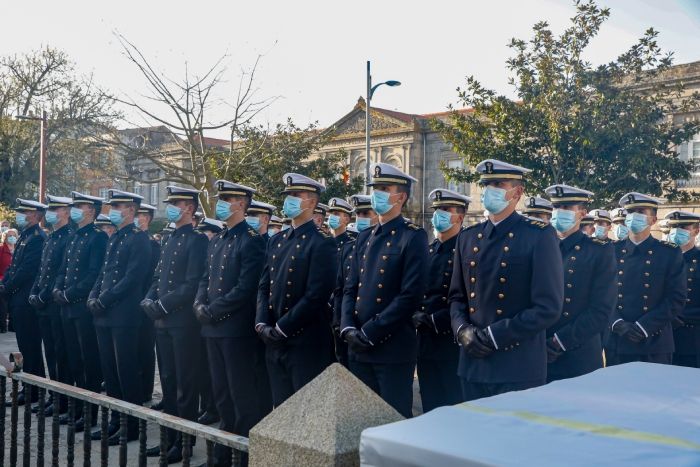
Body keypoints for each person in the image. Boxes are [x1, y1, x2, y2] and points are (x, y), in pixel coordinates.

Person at [449, 159, 563, 401]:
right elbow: (457, 297)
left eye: (498, 184)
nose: (490, 190)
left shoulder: (538, 235)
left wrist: (494, 336)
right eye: (487, 183)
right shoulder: (468, 237)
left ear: (517, 192)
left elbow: (548, 307)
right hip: (473, 364)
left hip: (517, 366)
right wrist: (462, 331)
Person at [340, 163, 428, 417]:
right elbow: (350, 287)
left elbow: (410, 295)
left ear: (401, 196)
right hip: (358, 346)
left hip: (391, 347)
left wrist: (371, 332)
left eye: (384, 188)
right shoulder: (365, 237)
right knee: (361, 420)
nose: (377, 193)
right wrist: (348, 326)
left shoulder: (412, 237)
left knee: (392, 419)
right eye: (376, 188)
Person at [194, 180, 272, 466]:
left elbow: (246, 288)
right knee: (221, 395)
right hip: (212, 328)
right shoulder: (219, 240)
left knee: (242, 397)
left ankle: (243, 455)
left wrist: (214, 310)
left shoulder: (250, 240)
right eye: (221, 198)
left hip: (235, 331)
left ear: (241, 203)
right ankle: (222, 455)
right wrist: (199, 304)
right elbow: (206, 278)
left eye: (227, 199)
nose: (221, 203)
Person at [256, 173, 337, 407]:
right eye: (288, 195)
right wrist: (262, 322)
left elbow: (316, 295)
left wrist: (283, 328)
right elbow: (264, 285)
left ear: (311, 203)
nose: (289, 200)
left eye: (295, 195)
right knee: (280, 407)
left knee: (305, 411)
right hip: (274, 341)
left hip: (304, 342)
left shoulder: (322, 243)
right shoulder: (277, 240)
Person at [142, 186, 208, 462]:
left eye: (176, 203)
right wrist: (149, 298)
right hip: (163, 323)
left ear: (190, 208)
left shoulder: (197, 241)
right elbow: (158, 277)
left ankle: (185, 442)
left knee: (185, 385)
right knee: (168, 383)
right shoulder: (169, 238)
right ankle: (169, 437)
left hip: (182, 323)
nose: (171, 207)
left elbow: (191, 284)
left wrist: (164, 304)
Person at [88, 189, 151, 444]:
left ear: (131, 210)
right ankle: (115, 421)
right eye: (112, 205)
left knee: (126, 371)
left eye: (119, 206)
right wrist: (94, 295)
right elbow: (104, 272)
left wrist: (105, 299)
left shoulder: (139, 239)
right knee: (110, 373)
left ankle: (132, 426)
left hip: (124, 314)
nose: (113, 210)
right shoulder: (114, 238)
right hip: (104, 315)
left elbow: (132, 278)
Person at [544, 185, 615, 381]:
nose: (559, 213)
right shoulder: (540, 246)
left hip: (577, 353)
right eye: (556, 208)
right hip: (539, 351)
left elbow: (601, 309)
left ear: (582, 213)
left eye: (566, 207)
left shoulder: (598, 251)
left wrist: (559, 341)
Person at [608, 193, 686, 365]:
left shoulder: (669, 252)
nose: (634, 216)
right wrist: (616, 322)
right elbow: (599, 294)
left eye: (641, 211)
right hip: (617, 340)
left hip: (654, 342)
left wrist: (644, 327)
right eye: (630, 212)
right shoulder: (611, 251)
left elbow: (676, 298)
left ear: (653, 220)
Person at [54, 191, 108, 431]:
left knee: (88, 363)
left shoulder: (97, 238)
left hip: (82, 307)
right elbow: (63, 269)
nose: (76, 209)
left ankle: (89, 414)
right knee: (74, 361)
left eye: (81, 206)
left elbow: (94, 273)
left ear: (92, 211)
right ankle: (76, 409)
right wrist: (58, 288)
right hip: (66, 307)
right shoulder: (74, 237)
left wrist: (71, 293)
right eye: (74, 205)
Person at [415, 188, 469, 412]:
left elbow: (467, 297)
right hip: (426, 344)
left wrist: (434, 319)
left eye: (446, 209)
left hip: (451, 343)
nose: (439, 214)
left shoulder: (466, 249)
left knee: (453, 405)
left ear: (460, 216)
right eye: (437, 209)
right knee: (430, 403)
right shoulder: (430, 249)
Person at [30, 195, 75, 416]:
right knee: (50, 351)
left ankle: (64, 399)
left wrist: (46, 293)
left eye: (56, 209)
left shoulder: (68, 236)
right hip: (44, 304)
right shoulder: (51, 237)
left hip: (56, 303)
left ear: (66, 212)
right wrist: (35, 291)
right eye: (51, 208)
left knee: (61, 353)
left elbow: (60, 271)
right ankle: (54, 394)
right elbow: (43, 269)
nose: (51, 212)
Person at [0, 199, 48, 406]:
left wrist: (7, 287)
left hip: (26, 299)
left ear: (37, 216)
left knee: (31, 347)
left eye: (26, 212)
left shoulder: (37, 238)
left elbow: (27, 270)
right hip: (17, 298)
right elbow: (13, 267)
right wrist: (5, 284)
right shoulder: (24, 237)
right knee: (23, 347)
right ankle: (26, 386)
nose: (21, 216)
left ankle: (34, 390)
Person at [664, 211, 700, 368]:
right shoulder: (660, 259)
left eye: (684, 227)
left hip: (691, 336)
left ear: (696, 231)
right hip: (662, 335)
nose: (677, 231)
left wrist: (681, 316)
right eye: (674, 227)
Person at [134, 203, 160, 406]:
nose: (137, 217)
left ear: (148, 219)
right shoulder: (130, 240)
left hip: (146, 302)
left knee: (144, 347)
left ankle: (145, 390)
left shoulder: (153, 244)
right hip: (130, 304)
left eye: (141, 215)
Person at [328, 197, 355, 366]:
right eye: (330, 213)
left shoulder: (350, 245)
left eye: (337, 214)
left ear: (346, 219)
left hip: (338, 310)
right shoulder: (322, 243)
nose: (332, 217)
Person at [0, 228, 17, 333]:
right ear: (5, 238)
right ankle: (3, 326)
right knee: (3, 304)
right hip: (3, 280)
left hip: (16, 280)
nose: (12, 238)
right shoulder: (1, 249)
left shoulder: (19, 248)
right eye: (9, 235)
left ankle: (13, 325)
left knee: (14, 304)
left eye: (13, 235)